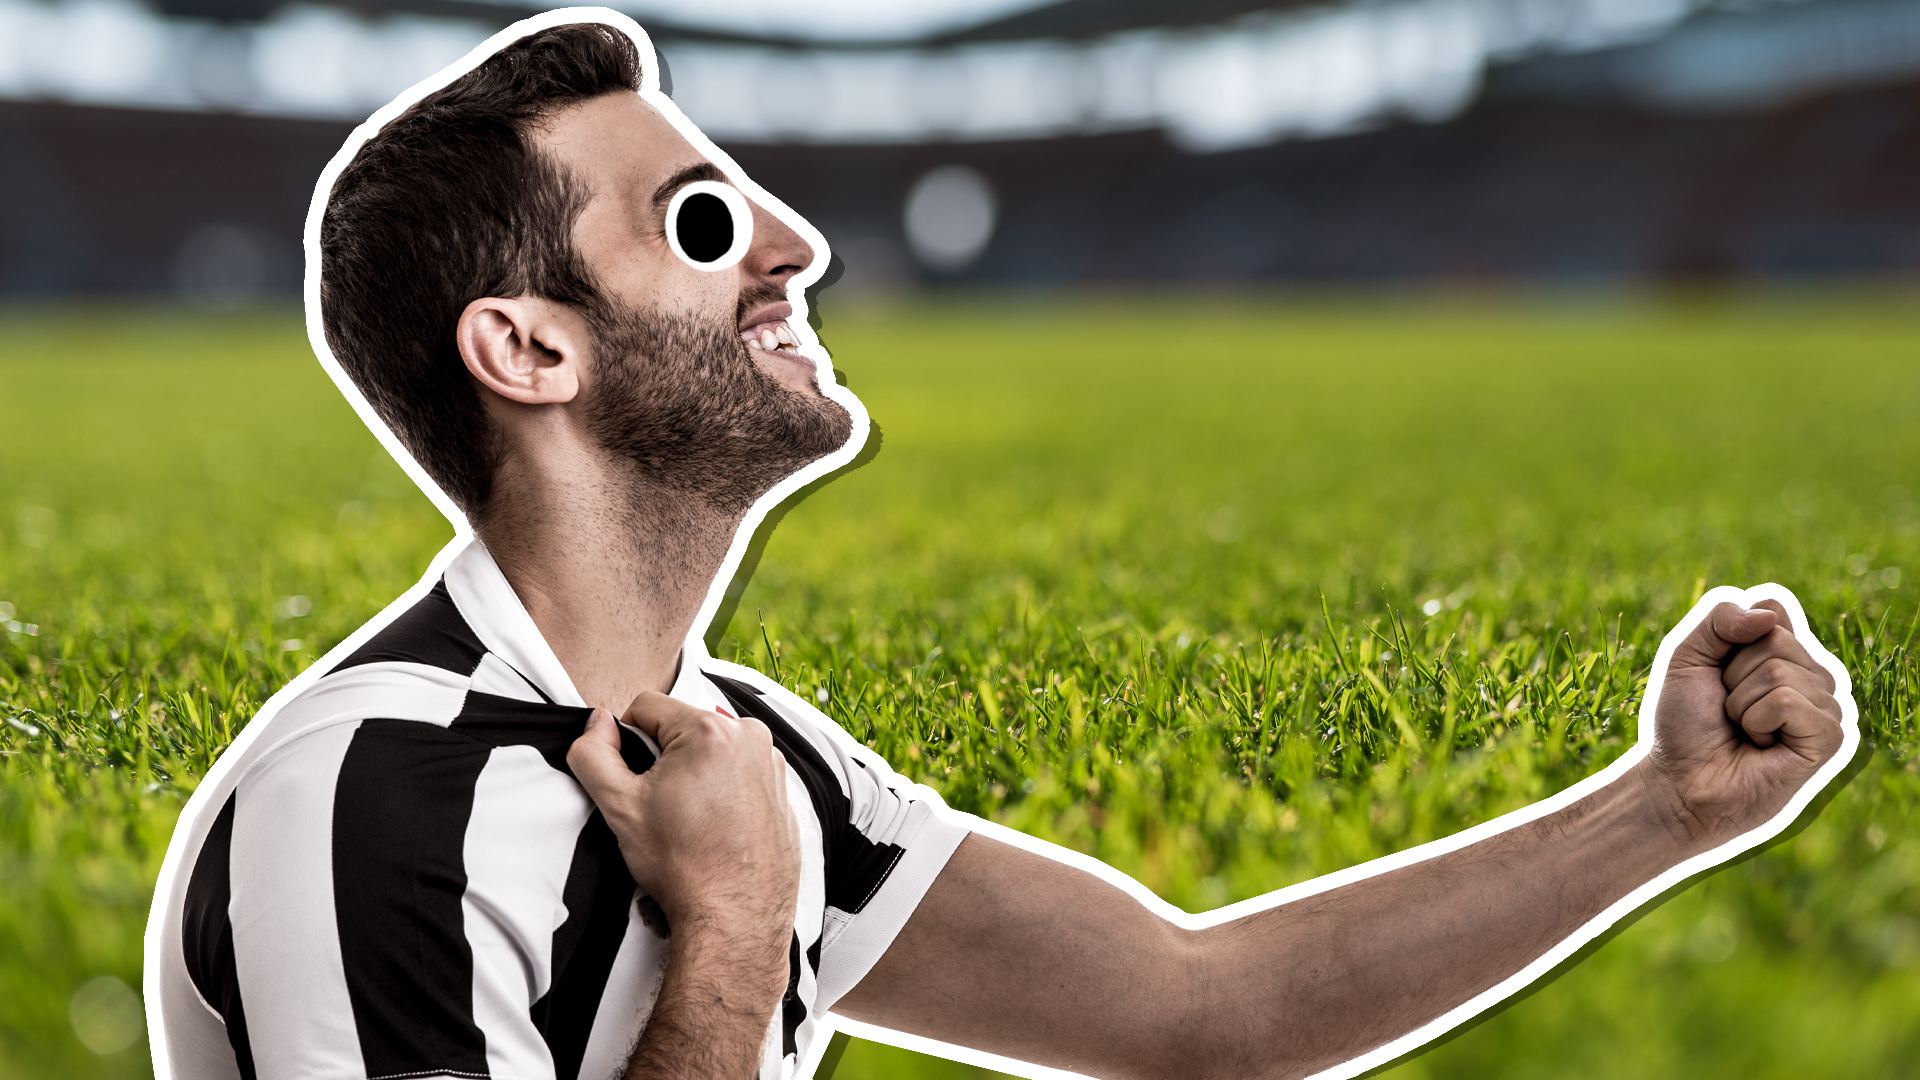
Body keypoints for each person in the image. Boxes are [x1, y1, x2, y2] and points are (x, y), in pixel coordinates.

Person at [146, 14, 1856, 1080]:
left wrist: (1664, 815)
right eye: (704, 223)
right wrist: (737, 924)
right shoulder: (369, 801)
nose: (798, 245)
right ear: (530, 352)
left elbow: (1204, 1015)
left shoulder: (754, 762)